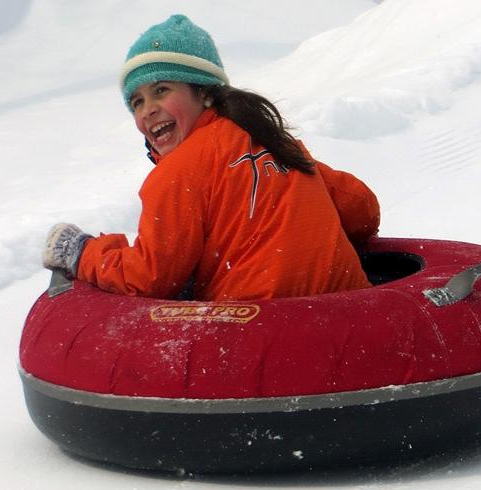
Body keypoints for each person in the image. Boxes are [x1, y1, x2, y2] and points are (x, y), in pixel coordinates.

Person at [42, 14, 379, 300]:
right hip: (347, 318)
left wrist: (83, 252)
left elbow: (150, 277)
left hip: (260, 336)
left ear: (203, 91)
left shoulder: (179, 172)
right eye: (137, 102)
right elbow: (361, 208)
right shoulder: (275, 143)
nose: (148, 110)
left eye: (161, 90)